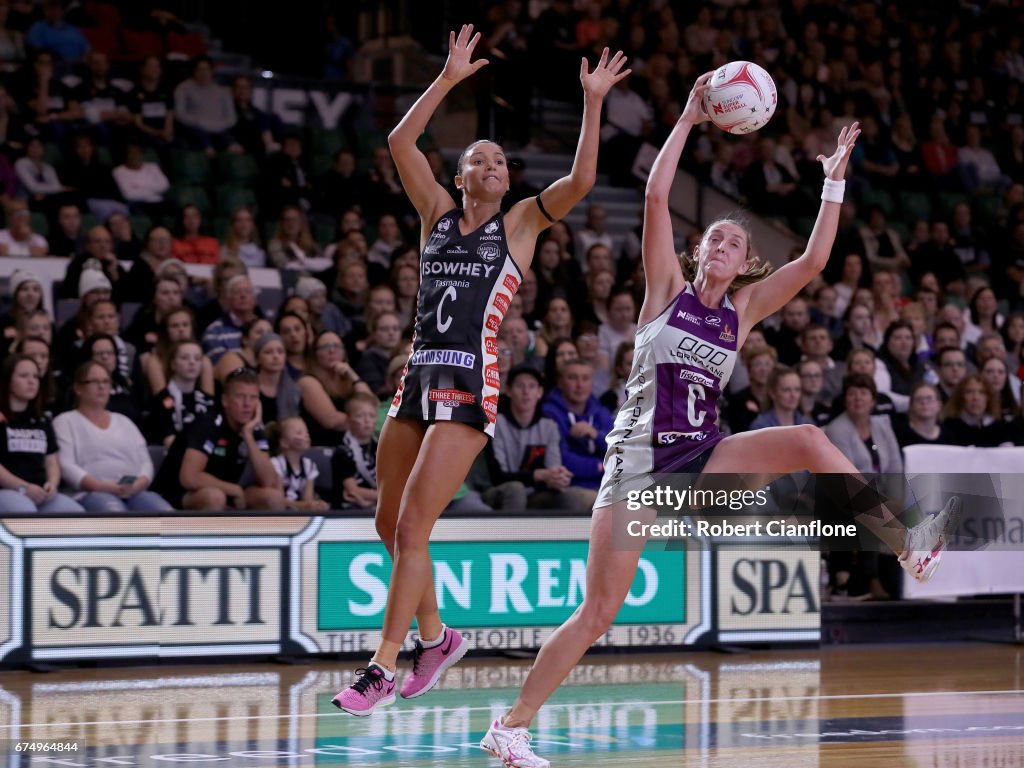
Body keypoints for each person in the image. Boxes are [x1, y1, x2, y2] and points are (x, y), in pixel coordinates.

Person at [482, 76, 961, 768]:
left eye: (733, 243)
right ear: (697, 252)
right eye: (712, 238)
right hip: (639, 466)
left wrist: (832, 183)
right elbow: (653, 195)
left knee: (806, 439)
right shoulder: (664, 291)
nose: (720, 246)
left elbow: (816, 261)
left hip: (705, 458)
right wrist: (684, 118)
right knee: (598, 614)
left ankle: (903, 541)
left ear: (745, 262)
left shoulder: (743, 312)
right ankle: (511, 727)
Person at [330, 25, 628, 716]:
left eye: (499, 159)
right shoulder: (435, 211)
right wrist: (445, 81)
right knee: (386, 525)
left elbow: (582, 180)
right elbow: (399, 144)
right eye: (479, 159)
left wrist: (591, 101)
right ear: (460, 176)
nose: (493, 165)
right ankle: (437, 638)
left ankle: (382, 664)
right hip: (418, 377)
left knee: (412, 530)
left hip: (470, 380)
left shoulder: (521, 222)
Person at [151, 368, 285, 511]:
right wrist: (233, 489)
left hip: (225, 489)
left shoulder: (253, 427)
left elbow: (269, 481)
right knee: (215, 497)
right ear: (225, 400)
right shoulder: (207, 423)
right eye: (240, 396)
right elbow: (190, 478)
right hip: (176, 493)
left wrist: (248, 435)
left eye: (253, 398)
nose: (247, 404)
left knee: (273, 498)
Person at [54, 361, 173, 512]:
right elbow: (66, 465)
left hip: (134, 491)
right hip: (91, 492)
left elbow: (145, 462)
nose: (102, 387)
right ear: (78, 388)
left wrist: (139, 483)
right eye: (94, 382)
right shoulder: (65, 421)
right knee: (116, 516)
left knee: (166, 515)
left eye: (105, 381)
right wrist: (100, 486)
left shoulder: (124, 421)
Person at [0, 354, 84, 512]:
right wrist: (23, 487)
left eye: (35, 376)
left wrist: (52, 483)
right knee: (26, 513)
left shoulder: (43, 420)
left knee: (76, 515)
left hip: (40, 492)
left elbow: (51, 460)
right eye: (23, 376)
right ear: (7, 380)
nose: (31, 381)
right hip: (7, 490)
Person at [330, 392, 380, 510]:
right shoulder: (342, 451)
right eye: (360, 416)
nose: (367, 420)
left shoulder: (379, 446)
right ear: (348, 420)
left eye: (371, 416)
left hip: (376, 504)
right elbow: (352, 490)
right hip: (348, 509)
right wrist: (387, 497)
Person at [267, 417, 329, 512]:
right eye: (299, 433)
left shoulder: (309, 466)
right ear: (284, 443)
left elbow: (307, 499)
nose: (306, 435)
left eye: (306, 432)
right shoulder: (276, 464)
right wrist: (303, 505)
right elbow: (278, 501)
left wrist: (315, 505)